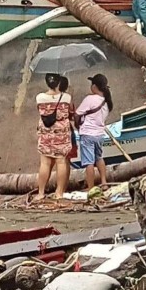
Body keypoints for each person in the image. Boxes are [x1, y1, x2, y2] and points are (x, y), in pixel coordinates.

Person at [36, 73, 74, 201]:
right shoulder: (66, 97)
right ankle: (59, 193)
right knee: (61, 162)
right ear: (59, 83)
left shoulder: (39, 97)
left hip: (46, 134)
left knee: (45, 163)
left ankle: (41, 193)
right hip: (62, 134)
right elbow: (70, 113)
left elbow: (40, 111)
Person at [76, 74, 113, 189]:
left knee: (89, 162)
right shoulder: (107, 103)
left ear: (95, 86)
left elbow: (77, 114)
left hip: (87, 134)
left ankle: (91, 188)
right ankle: (104, 182)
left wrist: (78, 126)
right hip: (99, 134)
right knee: (99, 158)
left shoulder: (90, 99)